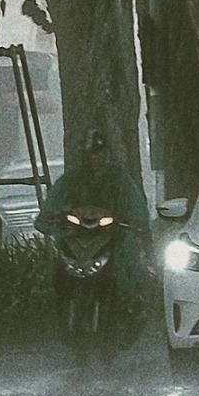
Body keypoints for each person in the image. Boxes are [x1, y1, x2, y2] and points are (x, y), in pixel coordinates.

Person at [37, 127, 155, 330]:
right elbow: (53, 204)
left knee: (127, 264)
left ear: (106, 153)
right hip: (74, 237)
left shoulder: (119, 179)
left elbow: (136, 205)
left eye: (99, 153)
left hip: (113, 238)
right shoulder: (71, 180)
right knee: (56, 273)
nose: (95, 158)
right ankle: (57, 308)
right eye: (90, 154)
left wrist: (135, 221)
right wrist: (50, 217)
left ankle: (132, 304)